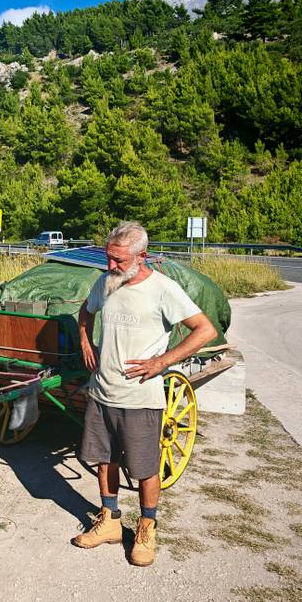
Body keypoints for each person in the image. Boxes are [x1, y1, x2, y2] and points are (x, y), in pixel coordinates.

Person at [71, 221, 216, 566]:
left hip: (139, 398)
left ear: (142, 256)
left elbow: (205, 329)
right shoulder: (105, 282)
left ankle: (147, 528)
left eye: (119, 261)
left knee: (145, 467)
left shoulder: (163, 289)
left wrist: (162, 361)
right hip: (102, 391)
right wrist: (85, 342)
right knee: (104, 458)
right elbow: (84, 312)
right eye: (108, 258)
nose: (110, 266)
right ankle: (109, 521)